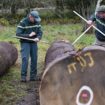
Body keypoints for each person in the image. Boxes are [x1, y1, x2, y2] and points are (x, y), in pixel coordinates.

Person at [16, 10, 43, 82]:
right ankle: (23, 76)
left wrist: (38, 37)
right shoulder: (23, 22)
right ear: (30, 16)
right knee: (25, 58)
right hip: (25, 42)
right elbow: (18, 34)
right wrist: (29, 35)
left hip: (34, 42)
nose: (35, 21)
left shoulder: (37, 22)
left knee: (34, 58)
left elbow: (40, 32)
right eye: (34, 19)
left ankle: (33, 76)